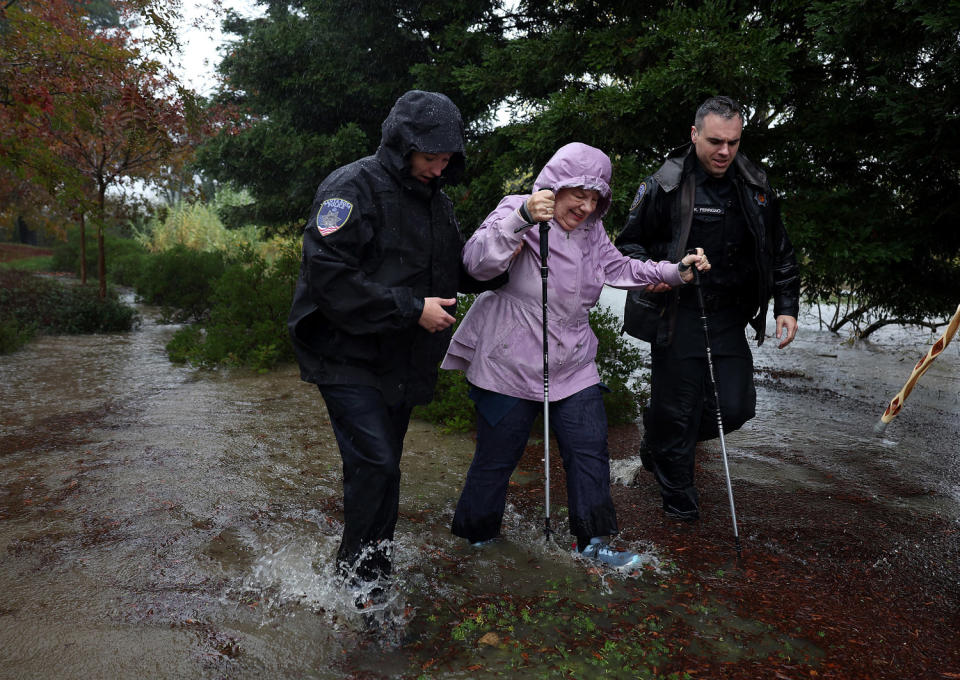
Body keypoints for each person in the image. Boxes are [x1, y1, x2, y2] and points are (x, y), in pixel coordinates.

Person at [440, 142, 710, 568]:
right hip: (508, 359)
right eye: (577, 194)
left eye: (595, 198)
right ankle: (477, 540)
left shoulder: (591, 232)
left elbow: (619, 268)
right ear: (555, 185)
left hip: (573, 360)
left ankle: (594, 541)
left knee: (589, 448)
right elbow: (475, 265)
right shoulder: (518, 208)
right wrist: (523, 218)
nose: (585, 206)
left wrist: (674, 272)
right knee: (497, 458)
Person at [287, 90, 504, 598]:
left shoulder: (438, 202)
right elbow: (329, 276)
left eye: (448, 160)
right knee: (376, 463)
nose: (439, 168)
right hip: (341, 352)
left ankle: (373, 570)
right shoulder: (349, 187)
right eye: (431, 158)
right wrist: (411, 309)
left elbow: (453, 273)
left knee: (384, 469)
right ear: (402, 145)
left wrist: (512, 256)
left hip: (399, 359)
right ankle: (356, 583)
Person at [615, 95, 800, 521]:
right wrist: (664, 271)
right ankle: (681, 510)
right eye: (716, 141)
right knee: (678, 410)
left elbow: (781, 251)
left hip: (729, 315)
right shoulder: (664, 184)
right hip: (676, 312)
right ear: (694, 134)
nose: (724, 151)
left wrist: (785, 306)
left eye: (733, 142)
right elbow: (627, 246)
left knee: (736, 408)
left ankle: (658, 441)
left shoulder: (755, 185)